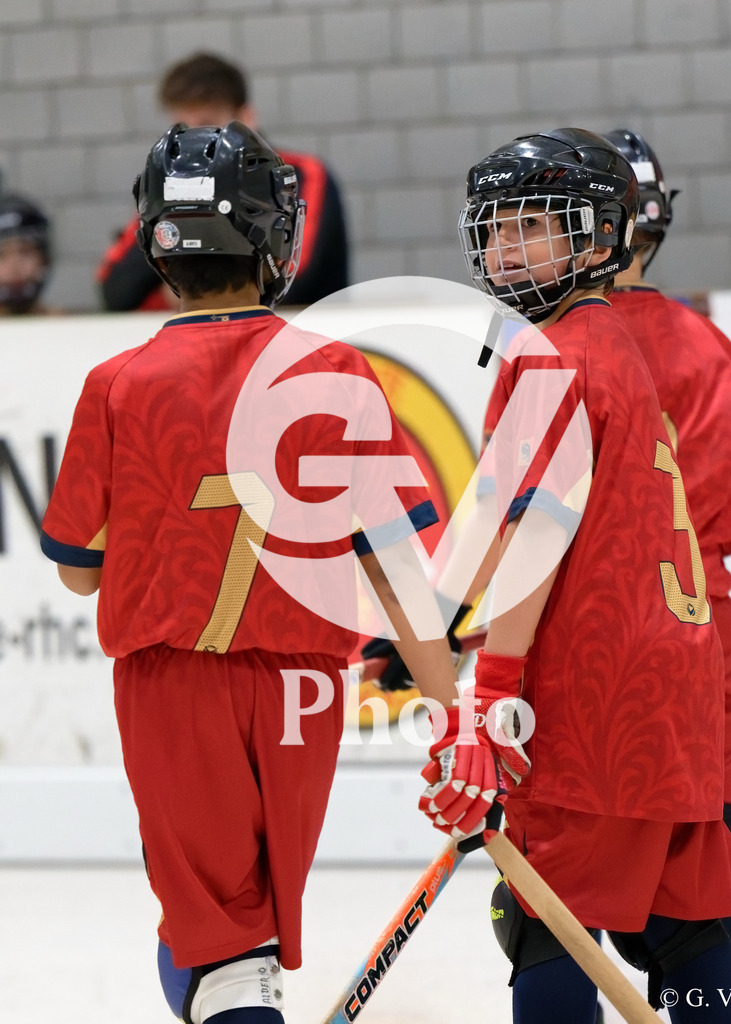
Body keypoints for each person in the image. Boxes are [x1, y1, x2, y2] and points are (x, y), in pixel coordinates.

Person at [40, 121, 489, 1024]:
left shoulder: (116, 384)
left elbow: (80, 577)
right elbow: (399, 574)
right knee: (248, 923)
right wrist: (455, 720)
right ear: (271, 237)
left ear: (157, 241)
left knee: (218, 945)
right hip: (300, 691)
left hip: (173, 690)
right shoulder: (337, 371)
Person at [417, 129, 731, 1024]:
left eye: (533, 226)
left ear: (600, 237)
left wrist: (494, 686)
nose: (505, 248)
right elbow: (502, 506)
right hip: (676, 677)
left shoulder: (549, 355)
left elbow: (536, 528)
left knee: (543, 917)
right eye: (494, 228)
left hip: (595, 685)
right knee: (680, 920)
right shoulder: (602, 338)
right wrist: (432, 621)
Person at [601, 127, 731, 1024]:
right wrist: (696, 546)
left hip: (599, 626)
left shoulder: (561, 344)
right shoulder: (701, 340)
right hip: (700, 618)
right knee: (715, 822)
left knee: (576, 836)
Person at [96, 51, 349, 312]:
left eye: (207, 124)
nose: (192, 140)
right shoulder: (170, 185)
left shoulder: (303, 173)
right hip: (203, 332)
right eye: (183, 128)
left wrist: (186, 290)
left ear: (247, 118)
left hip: (296, 331)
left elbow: (292, 278)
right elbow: (115, 290)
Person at [0, 193, 53, 315]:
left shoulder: (67, 325)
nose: (14, 266)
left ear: (44, 259)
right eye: (1, 254)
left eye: (25, 251)